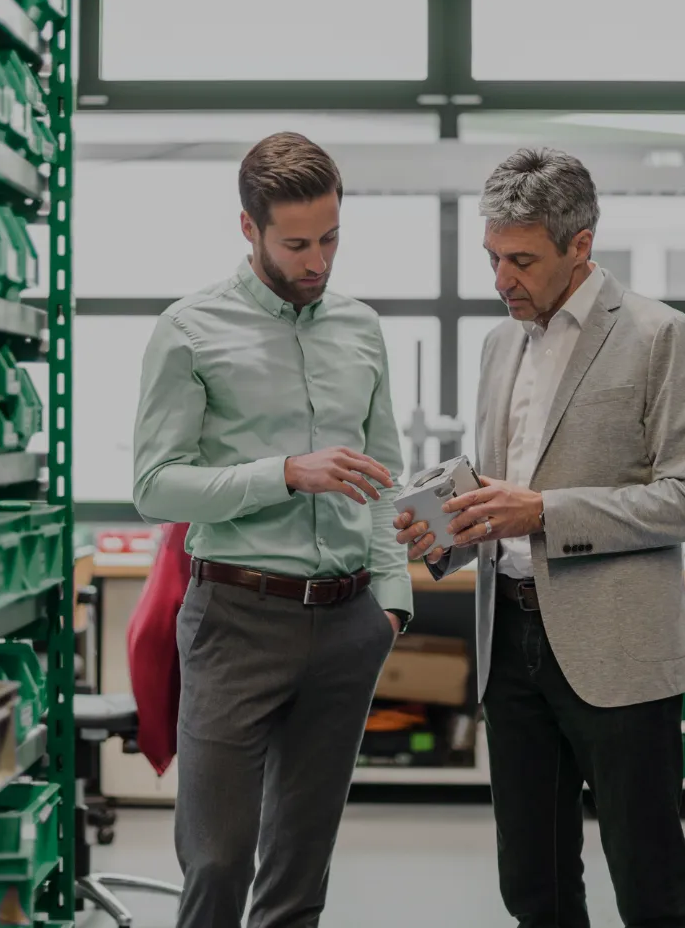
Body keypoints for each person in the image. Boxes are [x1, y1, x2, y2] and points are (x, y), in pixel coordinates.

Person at [395, 147, 685, 928]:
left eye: (521, 260)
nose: (502, 280)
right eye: (492, 258)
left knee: (650, 889)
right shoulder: (497, 344)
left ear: (581, 245)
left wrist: (546, 512)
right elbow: (498, 481)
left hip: (616, 648)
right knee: (534, 887)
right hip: (508, 642)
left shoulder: (659, 336)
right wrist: (446, 526)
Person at [133, 131, 412, 928]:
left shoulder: (360, 329)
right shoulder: (189, 329)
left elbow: (383, 475)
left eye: (330, 238)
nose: (317, 259)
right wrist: (285, 472)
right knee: (217, 862)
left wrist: (390, 601)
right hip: (236, 619)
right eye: (296, 243)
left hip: (350, 622)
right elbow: (154, 486)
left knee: (299, 873)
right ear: (248, 229)